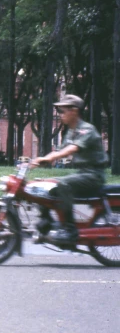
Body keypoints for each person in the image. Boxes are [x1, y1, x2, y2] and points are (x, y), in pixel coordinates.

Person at [31, 94, 107, 244]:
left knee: (63, 184)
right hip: (82, 174)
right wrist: (38, 161)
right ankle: (46, 221)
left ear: (74, 111)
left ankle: (69, 229)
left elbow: (71, 149)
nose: (60, 115)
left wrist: (49, 159)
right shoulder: (71, 132)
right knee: (42, 185)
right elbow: (59, 150)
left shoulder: (87, 130)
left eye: (62, 111)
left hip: (93, 175)